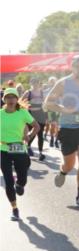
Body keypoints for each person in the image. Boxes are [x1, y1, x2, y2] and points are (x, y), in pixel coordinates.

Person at [44, 54, 79, 209]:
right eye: (76, 65)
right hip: (68, 128)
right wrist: (63, 109)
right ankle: (63, 171)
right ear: (71, 66)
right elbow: (47, 103)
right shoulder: (63, 83)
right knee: (69, 165)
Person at [2, 88, 39, 221]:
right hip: (3, 149)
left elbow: (36, 126)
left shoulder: (22, 113)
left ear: (17, 99)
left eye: (13, 97)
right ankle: (14, 209)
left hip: (19, 148)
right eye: (8, 97)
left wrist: (29, 136)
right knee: (8, 180)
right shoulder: (0, 114)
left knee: (22, 177)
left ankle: (20, 184)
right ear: (4, 99)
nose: (10, 100)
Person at [23, 79, 48, 161]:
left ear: (39, 83)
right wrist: (26, 107)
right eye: (34, 82)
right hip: (30, 115)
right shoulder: (28, 92)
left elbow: (45, 104)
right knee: (29, 132)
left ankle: (40, 153)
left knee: (40, 134)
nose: (35, 84)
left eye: (37, 82)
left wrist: (46, 115)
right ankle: (27, 146)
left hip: (41, 115)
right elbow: (20, 102)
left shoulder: (42, 92)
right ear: (31, 83)